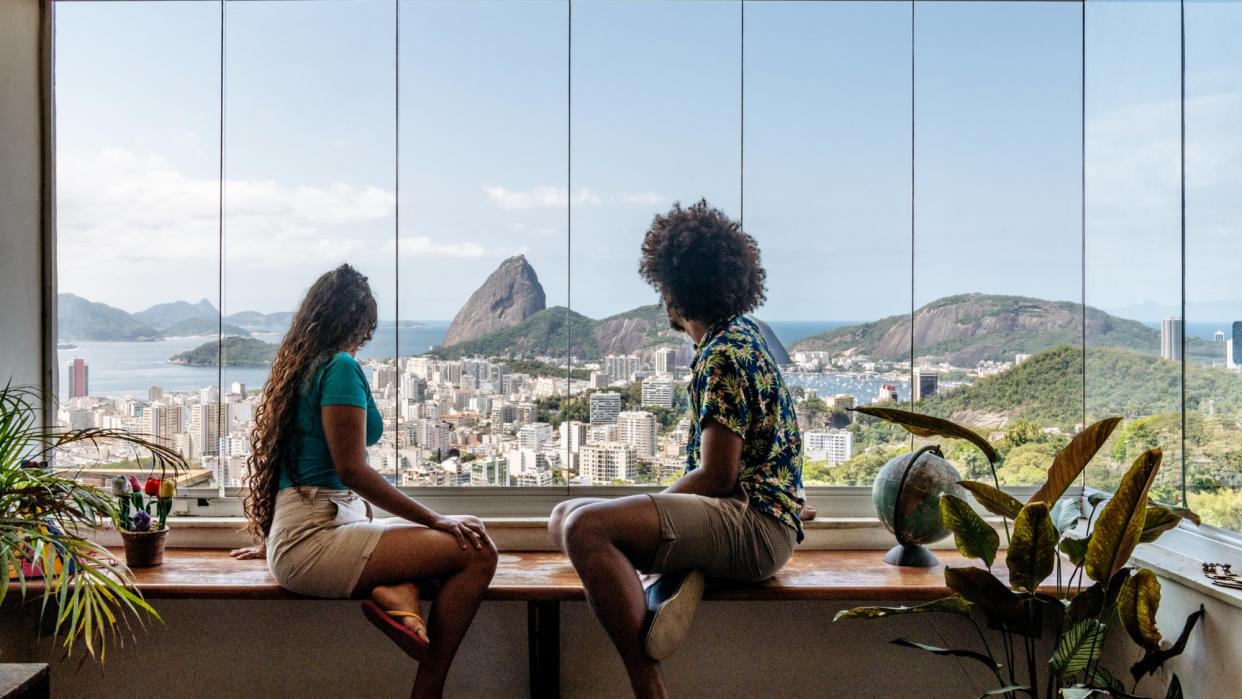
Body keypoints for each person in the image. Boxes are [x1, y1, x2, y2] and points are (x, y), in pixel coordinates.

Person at [549, 200, 805, 698]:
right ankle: (675, 573)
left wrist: (655, 508)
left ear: (677, 289)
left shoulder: (724, 354)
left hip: (751, 526)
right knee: (563, 514)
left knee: (586, 526)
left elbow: (715, 477)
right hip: (752, 516)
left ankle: (648, 685)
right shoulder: (741, 337)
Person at [230, 264, 497, 699]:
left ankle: (397, 592)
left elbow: (290, 465)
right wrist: (434, 518)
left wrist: (273, 537)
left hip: (312, 530)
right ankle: (430, 684)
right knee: (478, 549)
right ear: (359, 321)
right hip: (317, 538)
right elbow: (351, 468)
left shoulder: (299, 368)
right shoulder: (339, 367)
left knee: (466, 528)